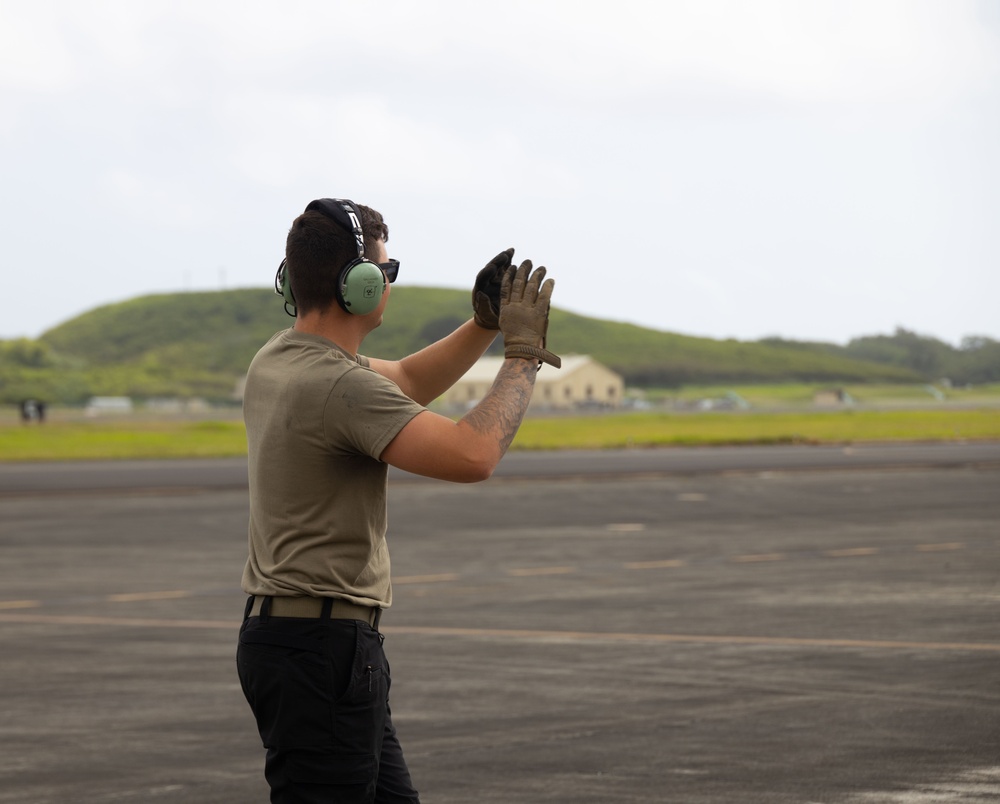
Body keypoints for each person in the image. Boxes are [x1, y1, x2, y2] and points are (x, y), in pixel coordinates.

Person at [236, 197, 560, 803]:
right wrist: (522, 355)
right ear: (358, 286)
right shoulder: (338, 387)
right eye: (387, 271)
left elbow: (407, 382)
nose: (388, 283)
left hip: (301, 646)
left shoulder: (279, 359)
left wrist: (485, 323)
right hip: (323, 654)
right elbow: (473, 454)